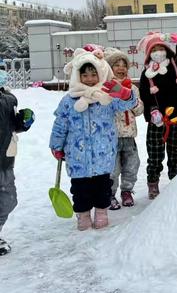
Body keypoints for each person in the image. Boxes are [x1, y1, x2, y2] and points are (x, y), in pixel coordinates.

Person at [49, 45, 137, 231]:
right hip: (77, 157)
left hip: (103, 156)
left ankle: (101, 213)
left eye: (93, 74)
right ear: (77, 76)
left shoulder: (107, 98)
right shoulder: (68, 100)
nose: (89, 79)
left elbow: (129, 104)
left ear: (100, 74)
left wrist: (124, 93)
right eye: (85, 75)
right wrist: (57, 145)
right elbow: (60, 125)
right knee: (80, 191)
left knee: (102, 188)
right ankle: (83, 216)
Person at [137, 31, 177, 199]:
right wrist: (152, 111)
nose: (158, 52)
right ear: (148, 53)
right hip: (156, 120)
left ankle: (176, 179)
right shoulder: (147, 74)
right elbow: (145, 94)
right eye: (154, 49)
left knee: (176, 151)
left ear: (167, 50)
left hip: (175, 117)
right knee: (155, 152)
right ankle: (153, 182)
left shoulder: (175, 66)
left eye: (161, 48)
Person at [0, 61, 35, 255]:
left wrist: (24, 122)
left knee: (8, 200)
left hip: (4, 160)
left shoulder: (8, 99)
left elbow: (12, 125)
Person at [104, 48, 144, 209]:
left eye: (124, 65)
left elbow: (140, 110)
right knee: (112, 169)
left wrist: (132, 101)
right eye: (116, 65)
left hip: (129, 136)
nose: (121, 68)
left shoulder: (133, 88)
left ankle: (127, 191)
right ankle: (110, 194)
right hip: (111, 137)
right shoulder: (105, 87)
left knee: (132, 165)